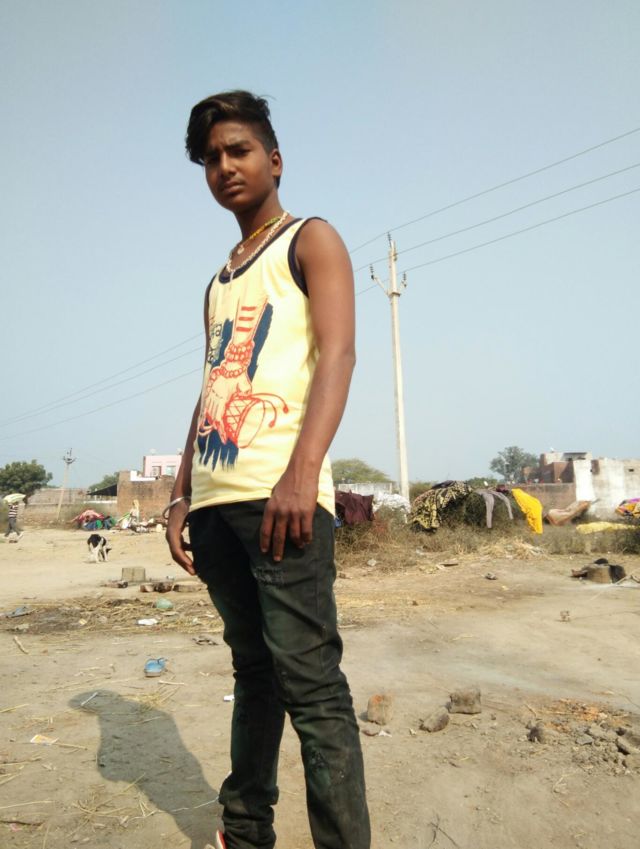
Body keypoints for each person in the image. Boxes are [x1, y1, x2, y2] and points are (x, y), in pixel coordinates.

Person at [165, 91, 370, 849]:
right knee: (253, 674)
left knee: (312, 685)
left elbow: (339, 355)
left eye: (239, 150)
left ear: (274, 160)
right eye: (211, 158)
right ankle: (246, 831)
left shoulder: (310, 240)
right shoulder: (219, 281)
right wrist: (181, 494)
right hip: (218, 507)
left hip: (282, 499)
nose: (225, 166)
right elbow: (213, 384)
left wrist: (301, 473)